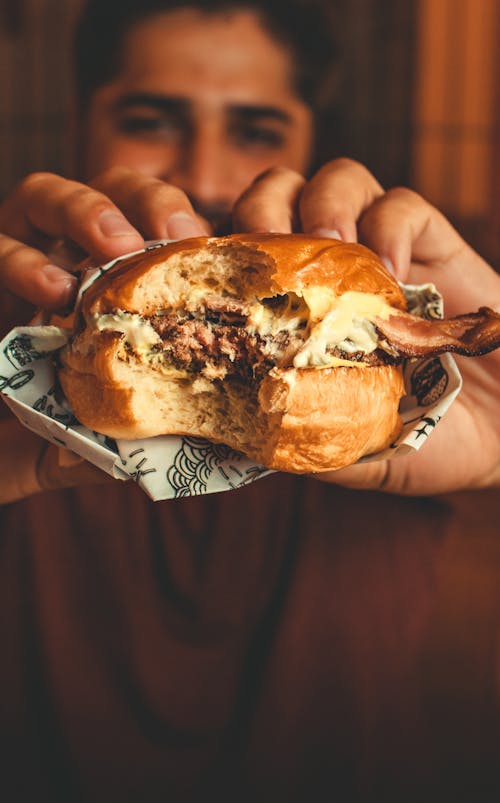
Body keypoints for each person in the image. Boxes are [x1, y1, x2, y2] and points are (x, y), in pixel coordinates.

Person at [0, 1, 499, 801]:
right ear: (76, 127)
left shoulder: (413, 382)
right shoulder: (29, 338)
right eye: (151, 119)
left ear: (311, 143)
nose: (200, 174)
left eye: (255, 130)